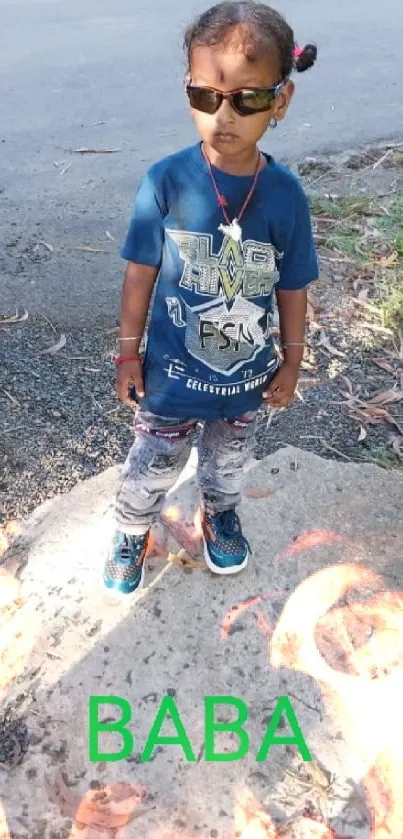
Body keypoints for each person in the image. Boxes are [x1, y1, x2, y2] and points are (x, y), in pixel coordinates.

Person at [103, 1, 319, 595]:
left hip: (244, 378)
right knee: (154, 461)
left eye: (248, 98)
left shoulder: (285, 196)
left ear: (281, 100)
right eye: (206, 97)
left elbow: (293, 284)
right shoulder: (166, 181)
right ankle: (131, 526)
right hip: (170, 377)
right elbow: (139, 273)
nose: (225, 115)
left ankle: (219, 512)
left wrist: (293, 361)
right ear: (189, 89)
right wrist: (127, 353)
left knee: (228, 461)